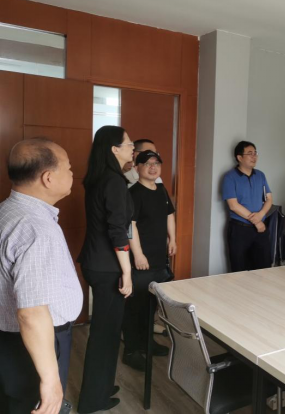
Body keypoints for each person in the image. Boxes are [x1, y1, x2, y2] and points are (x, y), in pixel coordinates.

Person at [0, 139, 83, 414]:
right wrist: (50, 380)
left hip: (12, 338)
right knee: (34, 404)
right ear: (48, 178)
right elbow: (32, 312)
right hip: (33, 341)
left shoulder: (8, 210)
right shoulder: (35, 227)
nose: (72, 173)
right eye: (68, 167)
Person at [77, 126, 134, 414]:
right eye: (128, 144)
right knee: (105, 333)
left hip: (94, 262)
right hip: (108, 266)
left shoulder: (100, 177)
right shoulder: (113, 181)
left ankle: (102, 386)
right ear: (114, 149)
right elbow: (117, 230)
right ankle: (93, 400)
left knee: (107, 330)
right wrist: (127, 272)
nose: (132, 147)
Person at [121, 150, 176, 371]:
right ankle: (131, 351)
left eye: (156, 163)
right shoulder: (133, 193)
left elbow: (169, 215)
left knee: (151, 304)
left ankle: (147, 343)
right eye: (147, 164)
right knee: (136, 306)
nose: (153, 167)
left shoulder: (161, 189)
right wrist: (138, 254)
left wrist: (173, 239)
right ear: (137, 168)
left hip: (159, 257)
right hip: (142, 260)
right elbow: (129, 226)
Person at [222, 141, 273, 272]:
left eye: (255, 153)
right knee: (239, 269)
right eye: (250, 153)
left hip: (261, 230)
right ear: (239, 157)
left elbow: (269, 199)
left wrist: (261, 216)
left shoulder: (260, 175)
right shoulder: (230, 177)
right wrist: (257, 221)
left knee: (264, 269)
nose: (254, 156)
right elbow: (233, 205)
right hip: (240, 229)